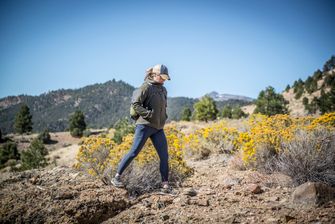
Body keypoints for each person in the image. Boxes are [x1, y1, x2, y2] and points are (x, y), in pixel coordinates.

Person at [111, 64, 171, 191]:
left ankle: (165, 184)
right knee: (134, 152)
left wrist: (164, 117)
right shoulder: (145, 87)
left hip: (158, 128)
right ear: (155, 74)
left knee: (164, 156)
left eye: (165, 78)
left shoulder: (163, 90)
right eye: (162, 77)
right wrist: (147, 114)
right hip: (144, 126)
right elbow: (135, 103)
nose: (163, 80)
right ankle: (116, 177)